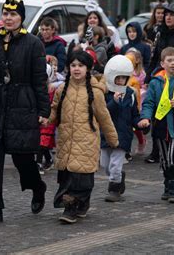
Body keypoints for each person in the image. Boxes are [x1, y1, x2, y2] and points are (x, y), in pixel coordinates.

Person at [0, 0, 49, 225]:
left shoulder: (33, 43)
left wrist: (44, 110)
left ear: (21, 18)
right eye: (5, 14)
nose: (8, 18)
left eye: (13, 15)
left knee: (23, 159)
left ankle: (37, 187)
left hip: (22, 105)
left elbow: (39, 80)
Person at [49, 50, 118, 223]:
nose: (77, 69)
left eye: (81, 65)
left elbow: (104, 118)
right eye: (73, 65)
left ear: (88, 68)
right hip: (66, 142)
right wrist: (44, 120)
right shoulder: (62, 89)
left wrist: (113, 139)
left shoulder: (95, 92)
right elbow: (54, 111)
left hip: (86, 142)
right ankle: (81, 205)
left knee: (81, 180)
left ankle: (71, 209)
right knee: (67, 178)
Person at [138, 47, 174, 203]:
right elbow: (149, 103)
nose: (173, 63)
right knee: (165, 160)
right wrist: (145, 117)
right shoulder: (156, 82)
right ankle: (167, 184)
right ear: (162, 63)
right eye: (169, 60)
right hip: (160, 127)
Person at [101, 55, 140, 202]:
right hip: (106, 135)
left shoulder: (130, 94)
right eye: (117, 78)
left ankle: (114, 190)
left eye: (123, 78)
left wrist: (141, 123)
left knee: (115, 165)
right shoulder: (105, 93)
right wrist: (115, 102)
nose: (120, 82)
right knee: (105, 165)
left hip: (123, 135)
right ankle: (118, 178)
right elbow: (103, 111)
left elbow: (134, 114)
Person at [125, 48, 146, 155]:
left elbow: (143, 86)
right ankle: (126, 150)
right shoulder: (123, 72)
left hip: (138, 101)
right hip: (126, 102)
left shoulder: (140, 73)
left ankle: (141, 140)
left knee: (136, 125)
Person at [37, 63, 57, 175]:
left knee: (43, 142)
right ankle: (48, 160)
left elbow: (55, 106)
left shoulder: (52, 90)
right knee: (41, 142)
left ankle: (38, 162)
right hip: (39, 117)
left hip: (49, 119)